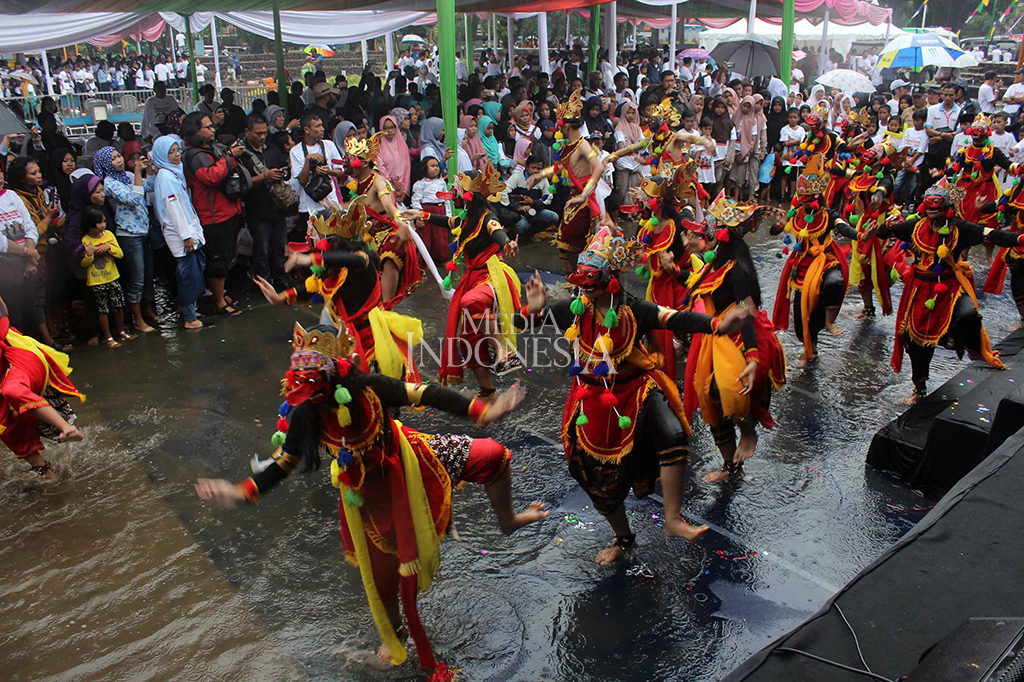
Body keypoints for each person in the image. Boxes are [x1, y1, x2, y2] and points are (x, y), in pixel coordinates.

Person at [195, 321, 542, 682]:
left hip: (413, 460)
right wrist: (242, 491)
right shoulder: (305, 413)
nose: (309, 392)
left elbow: (426, 394)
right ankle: (399, 638)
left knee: (494, 455)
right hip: (369, 501)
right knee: (388, 587)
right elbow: (284, 462)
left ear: (335, 375)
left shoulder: (370, 389)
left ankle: (508, 520)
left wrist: (483, 412)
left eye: (315, 383)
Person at [519, 229, 753, 563]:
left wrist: (716, 325)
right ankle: (624, 539)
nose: (585, 288)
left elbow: (675, 318)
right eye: (582, 281)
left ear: (610, 280)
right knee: (598, 480)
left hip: (636, 389)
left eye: (592, 281)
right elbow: (520, 321)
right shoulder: (574, 308)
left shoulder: (633, 309)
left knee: (673, 434)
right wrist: (534, 309)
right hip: (590, 401)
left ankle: (672, 519)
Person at [871, 178, 1024, 401]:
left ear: (947, 208)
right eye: (929, 208)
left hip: (950, 287)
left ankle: (969, 347)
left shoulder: (960, 228)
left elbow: (991, 234)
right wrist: (889, 224)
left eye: (938, 209)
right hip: (919, 290)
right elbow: (884, 234)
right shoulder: (915, 226)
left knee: (969, 313)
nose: (933, 214)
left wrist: (1020, 238)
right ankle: (919, 388)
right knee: (916, 344)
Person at [681, 193, 786, 482]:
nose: (703, 237)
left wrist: (752, 357)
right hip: (714, 336)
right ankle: (731, 468)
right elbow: (696, 285)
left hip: (740, 338)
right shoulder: (716, 262)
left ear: (723, 236)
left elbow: (747, 313)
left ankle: (749, 430)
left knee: (722, 391)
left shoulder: (737, 270)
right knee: (711, 406)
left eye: (707, 233)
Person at [411, 163, 521, 394]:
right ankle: (487, 390)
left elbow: (497, 232)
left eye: (458, 192)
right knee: (468, 340)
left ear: (470, 195)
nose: (454, 196)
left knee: (469, 302)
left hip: (493, 276)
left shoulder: (487, 218)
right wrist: (420, 214)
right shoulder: (466, 218)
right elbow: (448, 222)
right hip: (473, 278)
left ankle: (503, 350)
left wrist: (508, 243)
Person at [771, 153, 859, 362]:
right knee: (801, 316)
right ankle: (808, 345)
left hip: (825, 260)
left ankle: (828, 322)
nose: (803, 204)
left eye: (807, 200)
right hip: (802, 263)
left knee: (834, 282)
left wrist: (861, 235)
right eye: (802, 200)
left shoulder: (828, 215)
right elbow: (775, 233)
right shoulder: (796, 212)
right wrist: (781, 224)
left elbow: (843, 228)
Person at [0, 292, 84, 479]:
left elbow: (2, 311)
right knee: (8, 428)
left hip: (17, 359)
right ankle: (48, 477)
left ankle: (66, 428)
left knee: (12, 390)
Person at [526, 89, 604, 271]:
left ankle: (580, 279)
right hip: (573, 197)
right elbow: (559, 167)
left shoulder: (583, 145)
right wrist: (539, 175)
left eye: (560, 126)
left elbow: (599, 167)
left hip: (583, 200)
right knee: (565, 242)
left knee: (574, 242)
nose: (558, 129)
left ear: (567, 126)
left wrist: (584, 195)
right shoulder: (570, 147)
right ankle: (573, 277)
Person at [343, 133, 421, 309]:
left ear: (363, 162)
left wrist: (401, 222)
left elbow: (389, 205)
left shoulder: (379, 181)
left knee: (390, 254)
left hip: (384, 233)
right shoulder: (357, 183)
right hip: (365, 235)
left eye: (351, 159)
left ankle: (386, 307)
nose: (347, 164)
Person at [181, 112, 245, 317]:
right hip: (212, 215)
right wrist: (229, 157)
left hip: (225, 211)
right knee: (217, 260)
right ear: (195, 131)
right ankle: (218, 302)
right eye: (207, 127)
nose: (213, 129)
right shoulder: (194, 155)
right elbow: (211, 177)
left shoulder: (209, 150)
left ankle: (221, 293)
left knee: (226, 257)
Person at [92, 146, 157, 333]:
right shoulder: (109, 183)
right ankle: (137, 319)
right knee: (137, 279)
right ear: (105, 163)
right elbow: (134, 199)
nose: (119, 160)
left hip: (144, 231)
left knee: (147, 276)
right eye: (113, 159)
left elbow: (149, 186)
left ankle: (147, 311)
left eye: (119, 156)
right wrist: (137, 172)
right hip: (129, 235)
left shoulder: (127, 176)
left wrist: (149, 169)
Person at [151, 135, 206, 330]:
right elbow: (173, 209)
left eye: (177, 151)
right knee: (188, 275)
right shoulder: (166, 177)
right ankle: (190, 317)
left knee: (194, 271)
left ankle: (191, 309)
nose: (176, 155)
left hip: (187, 231)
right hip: (182, 235)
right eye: (171, 152)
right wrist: (186, 236)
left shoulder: (172, 173)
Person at [7, 157, 62, 346]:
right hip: (30, 252)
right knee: (36, 298)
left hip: (47, 249)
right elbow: (34, 230)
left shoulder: (39, 192)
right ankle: (45, 340)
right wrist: (48, 217)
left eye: (39, 172)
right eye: (33, 173)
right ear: (23, 178)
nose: (39, 176)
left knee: (48, 294)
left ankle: (53, 330)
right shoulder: (18, 197)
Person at [239, 113, 290, 289]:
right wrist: (264, 176)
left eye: (264, 133)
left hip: (277, 206)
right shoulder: (242, 154)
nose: (262, 137)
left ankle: (281, 279)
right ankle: (264, 282)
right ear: (247, 132)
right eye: (258, 133)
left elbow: (285, 167)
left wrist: (282, 173)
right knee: (262, 249)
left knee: (279, 247)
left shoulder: (272, 149)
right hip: (257, 208)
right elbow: (241, 183)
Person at [79, 204, 131, 347]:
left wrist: (109, 247)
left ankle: (120, 330)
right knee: (103, 310)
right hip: (96, 280)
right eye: (99, 222)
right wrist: (90, 253)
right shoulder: (85, 241)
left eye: (104, 222)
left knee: (118, 305)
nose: (102, 225)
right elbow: (83, 263)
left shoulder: (109, 235)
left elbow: (120, 254)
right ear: (90, 224)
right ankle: (107, 337)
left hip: (112, 277)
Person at [291, 112, 345, 225]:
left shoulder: (329, 145)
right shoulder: (295, 151)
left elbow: (340, 172)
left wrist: (328, 171)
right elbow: (302, 181)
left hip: (331, 202)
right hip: (308, 207)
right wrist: (308, 160)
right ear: (306, 130)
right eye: (318, 126)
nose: (322, 129)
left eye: (321, 125)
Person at [500, 155, 559, 242]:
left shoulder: (543, 181)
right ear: (527, 167)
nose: (535, 171)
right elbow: (503, 192)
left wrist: (533, 203)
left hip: (534, 211)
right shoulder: (517, 177)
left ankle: (529, 235)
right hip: (518, 212)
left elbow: (548, 198)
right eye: (533, 167)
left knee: (553, 217)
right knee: (523, 225)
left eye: (539, 168)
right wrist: (518, 207)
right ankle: (510, 238)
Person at [409, 157, 449, 262]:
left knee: (440, 237)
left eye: (437, 166)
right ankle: (425, 261)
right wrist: (419, 215)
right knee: (427, 238)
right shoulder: (419, 184)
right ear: (424, 168)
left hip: (440, 211)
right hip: (426, 211)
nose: (436, 168)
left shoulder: (442, 182)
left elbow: (447, 200)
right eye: (432, 166)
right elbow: (416, 201)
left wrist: (448, 215)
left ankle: (440, 260)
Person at [376, 115, 411, 201]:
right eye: (386, 128)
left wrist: (405, 190)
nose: (390, 131)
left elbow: (407, 168)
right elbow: (381, 168)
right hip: (386, 188)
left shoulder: (403, 145)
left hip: (402, 189)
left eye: (392, 127)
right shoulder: (378, 147)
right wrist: (392, 186)